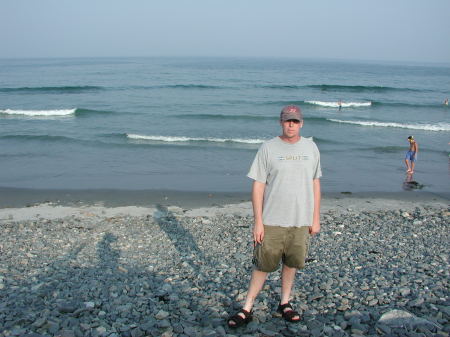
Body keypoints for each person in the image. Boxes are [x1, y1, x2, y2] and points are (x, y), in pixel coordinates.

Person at [227, 105, 322, 328]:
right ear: (281, 122)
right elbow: (258, 185)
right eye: (288, 121)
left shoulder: (311, 148)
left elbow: (315, 182)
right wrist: (258, 222)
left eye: (295, 121)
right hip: (271, 220)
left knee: (292, 263)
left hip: (301, 220)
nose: (291, 125)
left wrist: (315, 217)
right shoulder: (268, 148)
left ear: (302, 123)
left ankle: (285, 303)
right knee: (262, 265)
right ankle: (247, 307)